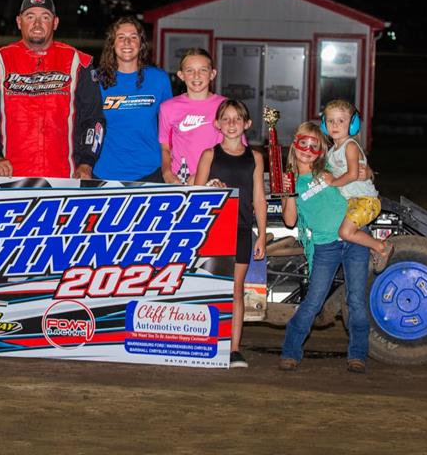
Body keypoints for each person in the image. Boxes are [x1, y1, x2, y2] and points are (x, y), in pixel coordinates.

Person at [0, 0, 105, 178]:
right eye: (30, 16)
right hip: (9, 179)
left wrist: (86, 163)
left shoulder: (79, 62)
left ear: (55, 22)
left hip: (65, 179)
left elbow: (94, 120)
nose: (37, 24)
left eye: (45, 17)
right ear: (19, 22)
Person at [278, 121, 371, 373]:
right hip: (324, 246)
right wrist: (288, 194)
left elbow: (359, 170)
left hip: (354, 238)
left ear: (321, 151)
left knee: (356, 300)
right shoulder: (292, 181)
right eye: (303, 143)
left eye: (314, 145)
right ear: (294, 144)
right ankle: (290, 351)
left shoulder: (329, 169)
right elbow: (289, 221)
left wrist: (366, 172)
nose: (307, 149)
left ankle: (358, 354)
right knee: (313, 300)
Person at [193, 99, 267, 368]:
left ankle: (234, 349)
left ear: (247, 124)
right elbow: (195, 194)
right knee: (209, 289)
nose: (232, 123)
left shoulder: (255, 157)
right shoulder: (209, 155)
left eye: (238, 119)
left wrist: (262, 235)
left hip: (242, 230)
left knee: (236, 290)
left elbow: (259, 198)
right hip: (212, 232)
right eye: (226, 118)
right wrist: (212, 188)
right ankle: (206, 342)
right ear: (217, 124)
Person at [93, 17, 172, 182]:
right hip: (105, 172)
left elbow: (169, 129)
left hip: (150, 172)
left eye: (133, 37)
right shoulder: (96, 79)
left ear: (141, 43)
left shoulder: (159, 79)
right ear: (112, 44)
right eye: (121, 37)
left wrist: (169, 169)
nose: (127, 42)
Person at [320, 99, 393, 273]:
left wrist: (333, 182)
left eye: (341, 121)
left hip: (365, 201)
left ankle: (381, 247)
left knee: (345, 233)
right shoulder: (331, 152)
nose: (335, 125)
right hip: (351, 202)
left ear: (352, 125)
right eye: (330, 121)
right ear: (324, 125)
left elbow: (353, 175)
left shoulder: (350, 146)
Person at [158, 48, 225, 184]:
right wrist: (167, 173)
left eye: (203, 70)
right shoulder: (168, 108)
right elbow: (165, 148)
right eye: (189, 70)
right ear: (181, 75)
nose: (196, 75)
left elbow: (236, 148)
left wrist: (206, 174)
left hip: (216, 180)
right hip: (181, 181)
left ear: (212, 74)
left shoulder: (226, 106)